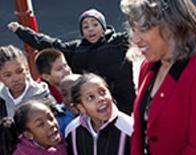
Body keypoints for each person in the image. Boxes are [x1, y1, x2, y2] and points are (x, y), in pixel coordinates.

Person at [8, 8, 136, 115]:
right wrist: (21, 31)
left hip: (124, 101)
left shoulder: (118, 42)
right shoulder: (76, 50)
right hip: (93, 106)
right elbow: (48, 43)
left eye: (95, 24)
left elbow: (140, 31)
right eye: (86, 27)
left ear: (103, 27)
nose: (90, 29)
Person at [120, 0, 196, 155]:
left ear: (172, 26)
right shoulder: (148, 66)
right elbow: (139, 133)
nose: (135, 39)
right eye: (133, 29)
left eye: (144, 28)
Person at [65, 73, 133, 155]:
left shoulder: (129, 129)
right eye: (90, 97)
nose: (100, 99)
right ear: (81, 107)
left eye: (102, 92)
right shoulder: (72, 132)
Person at [0, 99, 67, 155]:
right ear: (28, 134)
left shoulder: (63, 141)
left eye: (51, 118)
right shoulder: (22, 153)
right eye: (40, 124)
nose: (51, 125)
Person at [0, 45, 52, 117]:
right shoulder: (2, 99)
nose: (16, 79)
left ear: (27, 68)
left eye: (19, 71)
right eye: (8, 75)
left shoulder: (42, 95)